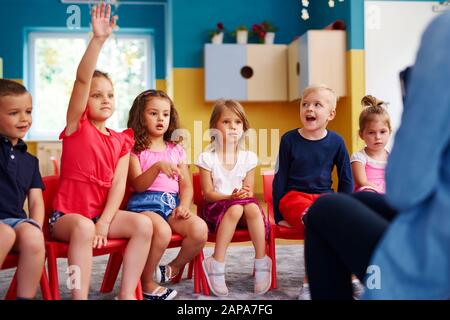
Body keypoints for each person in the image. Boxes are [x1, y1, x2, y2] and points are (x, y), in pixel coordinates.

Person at [304, 11, 450, 300]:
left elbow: (404, 191)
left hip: (439, 266)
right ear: (362, 135)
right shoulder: (309, 144)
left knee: (325, 210)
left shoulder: (443, 34)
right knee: (363, 199)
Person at [50, 4, 152, 300]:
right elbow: (82, 80)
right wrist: (98, 40)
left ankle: (127, 294)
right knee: (82, 226)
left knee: (143, 225)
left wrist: (106, 221)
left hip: (99, 216)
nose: (105, 99)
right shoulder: (76, 126)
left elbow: (119, 184)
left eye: (109, 94)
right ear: (85, 101)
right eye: (97, 95)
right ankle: (77, 295)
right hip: (67, 218)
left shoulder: (122, 140)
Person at [272, 84, 353, 299]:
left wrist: (347, 208)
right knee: (314, 220)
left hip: (325, 197)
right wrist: (279, 216)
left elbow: (346, 178)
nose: (309, 109)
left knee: (339, 223)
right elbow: (280, 178)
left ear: (331, 114)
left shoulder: (336, 141)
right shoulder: (289, 140)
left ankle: (350, 277)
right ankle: (310, 284)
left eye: (318, 105)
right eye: (305, 104)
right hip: (294, 197)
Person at [126, 89, 208, 300]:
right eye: (153, 113)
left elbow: (187, 186)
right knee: (161, 231)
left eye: (165, 114)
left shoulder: (176, 150)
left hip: (172, 205)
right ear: (140, 117)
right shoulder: (135, 150)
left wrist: (185, 206)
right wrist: (157, 167)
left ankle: (171, 268)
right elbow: (138, 185)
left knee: (199, 229)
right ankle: (146, 282)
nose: (160, 118)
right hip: (144, 206)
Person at [196, 99, 271, 297]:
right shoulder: (207, 158)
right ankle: (216, 262)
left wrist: (242, 194)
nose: (232, 127)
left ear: (243, 128)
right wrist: (230, 197)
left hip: (243, 209)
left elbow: (249, 191)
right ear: (214, 127)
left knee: (252, 207)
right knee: (236, 208)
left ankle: (262, 260)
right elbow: (208, 194)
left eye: (237, 123)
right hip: (216, 209)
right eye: (226, 122)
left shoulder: (248, 158)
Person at [0, 79, 46, 299]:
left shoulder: (31, 160)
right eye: (14, 113)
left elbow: (36, 200)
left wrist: (35, 225)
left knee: (33, 236)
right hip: (3, 229)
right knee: (5, 233)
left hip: (15, 222)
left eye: (28, 111)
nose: (24, 118)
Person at [351, 95, 392, 193]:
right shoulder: (359, 158)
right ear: (361, 135)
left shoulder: (391, 157)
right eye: (371, 132)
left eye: (382, 132)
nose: (377, 137)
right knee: (367, 191)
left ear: (389, 131)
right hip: (369, 194)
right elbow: (362, 182)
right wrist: (381, 192)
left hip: (388, 194)